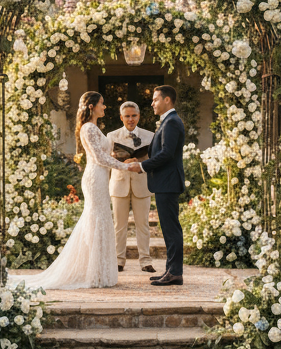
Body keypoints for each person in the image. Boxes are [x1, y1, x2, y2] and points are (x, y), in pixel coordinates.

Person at [14, 92, 127, 290]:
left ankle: (99, 271)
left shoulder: (94, 127)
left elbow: (102, 154)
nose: (105, 107)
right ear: (91, 106)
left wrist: (117, 156)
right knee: (96, 220)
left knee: (100, 219)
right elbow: (99, 158)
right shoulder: (89, 127)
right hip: (95, 177)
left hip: (101, 177)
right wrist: (125, 166)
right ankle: (95, 273)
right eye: (102, 103)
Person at [127, 86, 186, 286]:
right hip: (165, 182)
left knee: (171, 229)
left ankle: (175, 272)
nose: (152, 103)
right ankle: (170, 270)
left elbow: (167, 153)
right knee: (169, 228)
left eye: (155, 99)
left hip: (168, 182)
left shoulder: (171, 122)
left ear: (167, 100)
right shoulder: (168, 121)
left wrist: (142, 166)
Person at [108, 102, 156, 273]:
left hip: (142, 184)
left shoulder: (150, 136)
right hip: (119, 184)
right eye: (127, 116)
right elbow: (106, 162)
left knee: (142, 224)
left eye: (133, 115)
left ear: (139, 116)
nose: (130, 119)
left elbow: (155, 160)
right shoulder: (111, 136)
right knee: (119, 225)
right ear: (121, 118)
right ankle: (118, 260)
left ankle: (145, 261)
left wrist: (140, 162)